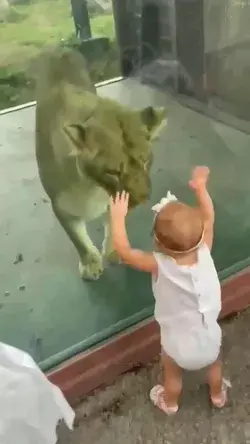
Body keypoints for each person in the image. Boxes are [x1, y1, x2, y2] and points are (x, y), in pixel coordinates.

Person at [109, 166, 231, 415]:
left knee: (172, 374)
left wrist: (117, 217)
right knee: (215, 367)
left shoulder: (159, 265)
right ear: (199, 236)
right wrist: (201, 189)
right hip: (210, 337)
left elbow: (124, 251)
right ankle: (218, 395)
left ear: (156, 243)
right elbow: (209, 216)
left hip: (177, 344)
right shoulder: (205, 248)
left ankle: (170, 402)